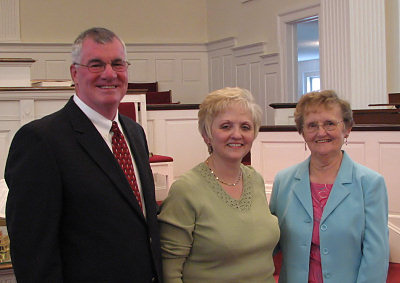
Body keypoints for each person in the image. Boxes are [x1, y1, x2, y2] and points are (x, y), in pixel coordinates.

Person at [5, 27, 162, 282]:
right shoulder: (41, 140)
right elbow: (33, 250)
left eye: (118, 64)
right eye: (96, 65)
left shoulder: (134, 132)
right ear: (75, 73)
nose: (109, 74)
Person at [158, 87, 280, 282]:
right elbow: (170, 269)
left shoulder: (255, 179)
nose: (237, 134)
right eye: (226, 126)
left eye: (245, 127)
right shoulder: (186, 189)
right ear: (207, 135)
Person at [269, 90, 389, 283]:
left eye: (330, 124)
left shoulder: (370, 183)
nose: (321, 132)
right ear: (302, 132)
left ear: (347, 128)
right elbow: (269, 242)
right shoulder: (284, 181)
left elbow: (376, 257)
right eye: (312, 125)